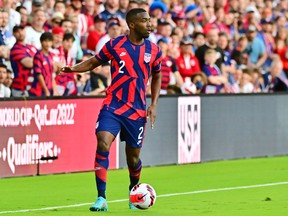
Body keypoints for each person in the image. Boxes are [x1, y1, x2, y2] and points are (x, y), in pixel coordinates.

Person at [59, 8, 162, 212]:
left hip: (137, 111)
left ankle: (134, 192)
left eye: (149, 20)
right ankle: (101, 198)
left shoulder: (154, 50)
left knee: (132, 158)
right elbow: (93, 62)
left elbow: (157, 75)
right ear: (132, 24)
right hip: (113, 105)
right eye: (144, 20)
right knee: (103, 142)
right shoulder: (115, 45)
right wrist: (73, 69)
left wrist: (154, 104)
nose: (149, 24)